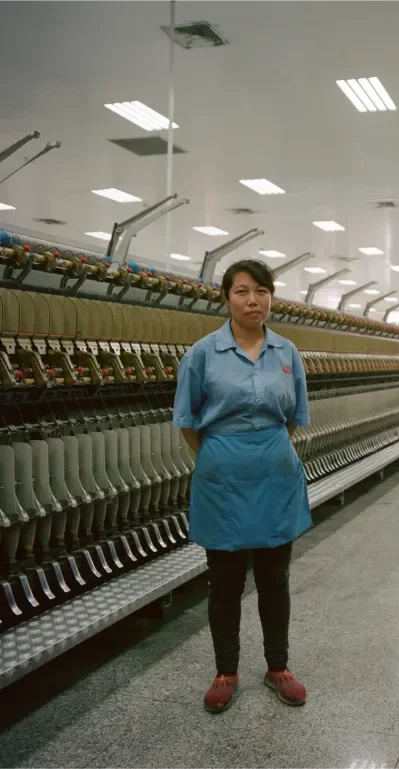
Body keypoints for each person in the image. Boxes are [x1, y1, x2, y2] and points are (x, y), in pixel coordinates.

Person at [173, 258, 312, 714]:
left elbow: (293, 419)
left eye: (261, 291)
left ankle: (279, 668)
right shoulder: (201, 353)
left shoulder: (287, 353)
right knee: (225, 582)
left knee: (276, 579)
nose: (253, 300)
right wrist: (224, 454)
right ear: (226, 298)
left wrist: (265, 451)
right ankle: (226, 672)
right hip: (223, 479)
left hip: (276, 477)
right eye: (242, 291)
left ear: (272, 296)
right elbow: (188, 422)